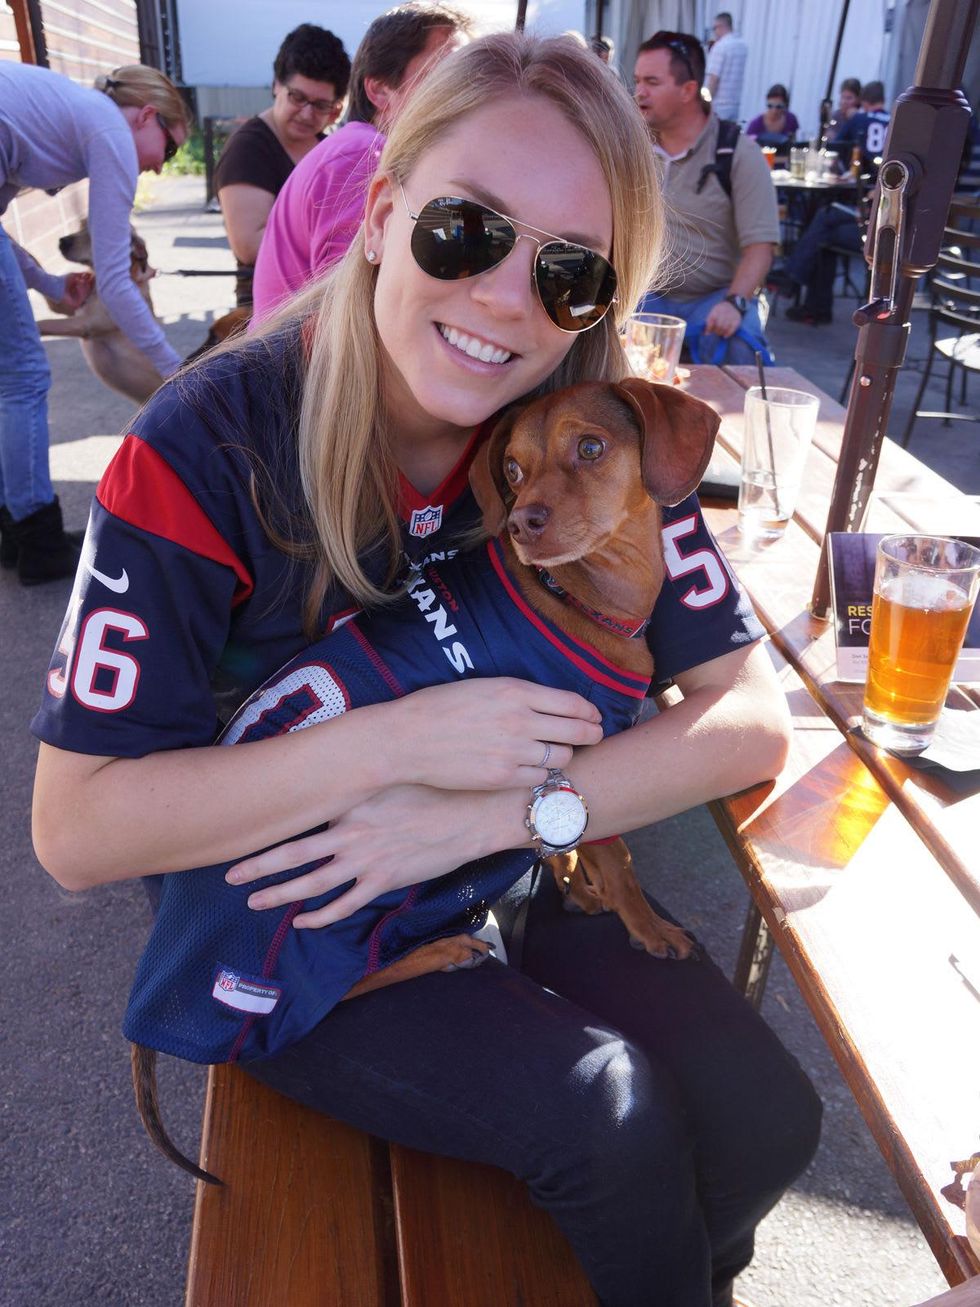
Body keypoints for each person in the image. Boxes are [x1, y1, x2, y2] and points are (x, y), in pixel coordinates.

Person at [32, 33, 821, 1307]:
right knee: (608, 1129)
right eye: (466, 231)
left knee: (764, 1120)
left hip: (495, 860)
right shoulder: (207, 440)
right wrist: (391, 748)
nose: (509, 299)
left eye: (567, 272)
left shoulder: (584, 428)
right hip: (292, 920)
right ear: (386, 213)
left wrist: (495, 810)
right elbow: (75, 830)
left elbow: (744, 715)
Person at [0, 61, 189, 586]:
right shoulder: (108, 130)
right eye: (169, 149)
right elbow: (115, 278)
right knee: (23, 379)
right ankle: (35, 541)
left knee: (9, 379)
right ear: (145, 116)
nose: (157, 168)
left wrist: (49, 284)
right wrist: (176, 368)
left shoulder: (74, 118)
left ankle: (16, 530)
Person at [251, 2, 468, 325]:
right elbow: (351, 313)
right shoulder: (363, 156)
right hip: (306, 370)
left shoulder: (358, 149)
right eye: (442, 74)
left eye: (465, 74)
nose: (462, 90)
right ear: (380, 90)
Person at [633, 30, 780, 364]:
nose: (639, 91)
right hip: (645, 294)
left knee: (743, 353)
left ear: (688, 90)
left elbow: (760, 248)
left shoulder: (737, 153)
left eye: (652, 82)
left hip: (711, 299)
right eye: (637, 80)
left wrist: (734, 302)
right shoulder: (633, 145)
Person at [213, 23, 350, 312]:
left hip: (316, 305)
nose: (307, 113)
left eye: (321, 105)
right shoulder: (248, 149)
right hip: (269, 316)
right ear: (277, 84)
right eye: (297, 97)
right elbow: (249, 246)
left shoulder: (327, 146)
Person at [774, 82, 891, 325]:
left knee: (824, 221)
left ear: (863, 101)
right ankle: (814, 306)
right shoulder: (894, 123)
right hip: (876, 207)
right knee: (825, 229)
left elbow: (834, 148)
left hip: (874, 220)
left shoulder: (859, 121)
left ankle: (793, 278)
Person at [705, 12, 747, 122]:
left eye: (714, 28)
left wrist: (705, 102)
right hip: (735, 103)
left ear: (720, 26)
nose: (714, 33)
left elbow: (713, 78)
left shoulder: (720, 47)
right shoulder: (742, 46)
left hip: (719, 104)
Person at [824, 76, 861, 142]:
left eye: (849, 98)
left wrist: (854, 118)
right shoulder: (836, 116)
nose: (844, 102)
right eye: (842, 97)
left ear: (858, 99)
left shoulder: (862, 117)